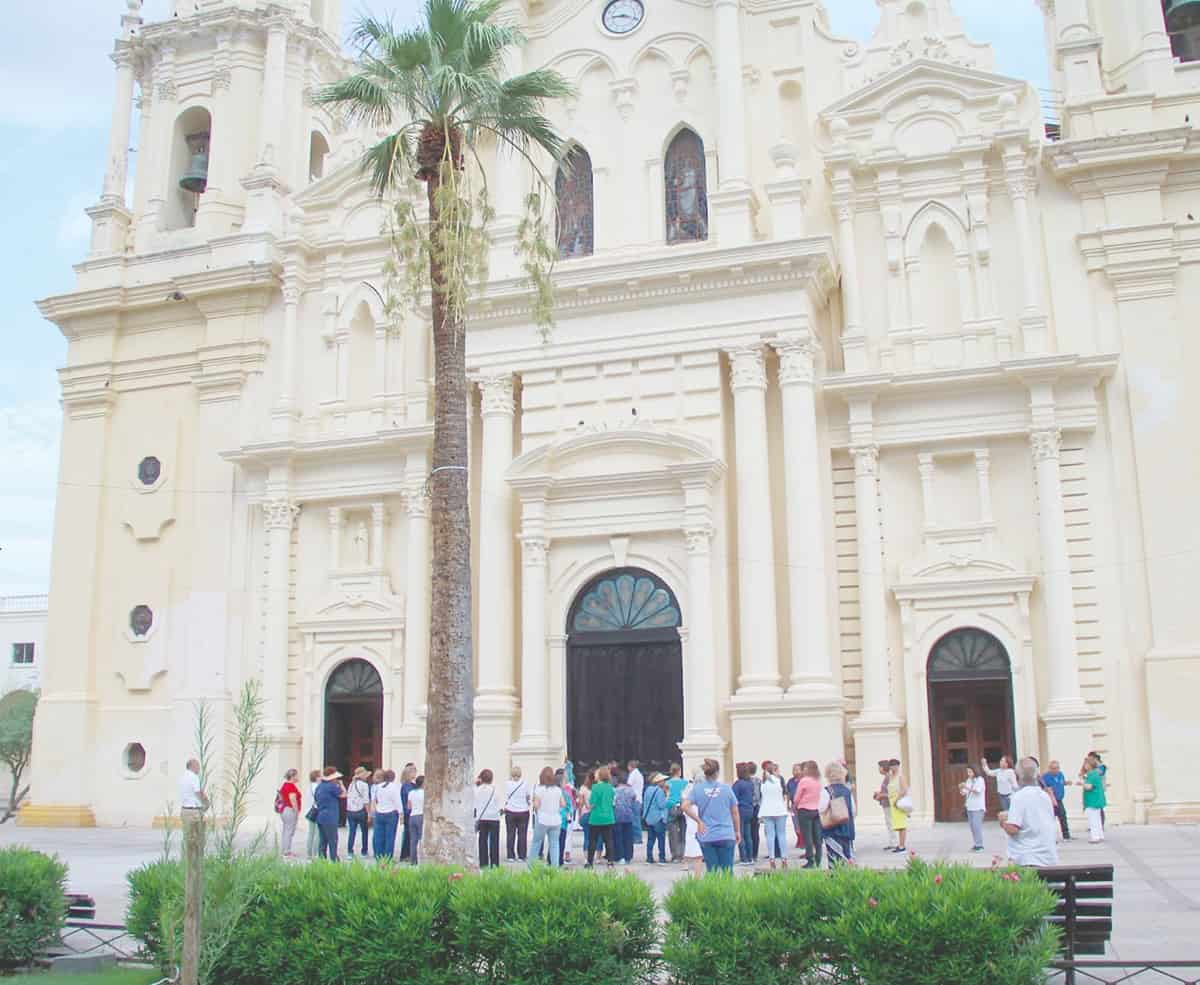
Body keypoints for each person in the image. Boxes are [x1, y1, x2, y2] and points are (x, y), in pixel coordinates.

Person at [682, 758, 741, 874]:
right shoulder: (726, 789)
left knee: (712, 870)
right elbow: (735, 812)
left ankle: (713, 891)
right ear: (717, 773)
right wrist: (737, 831)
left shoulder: (697, 789)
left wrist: (698, 821)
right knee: (727, 871)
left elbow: (684, 806)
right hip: (726, 833)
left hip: (707, 834)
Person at [1000, 757, 1059, 866]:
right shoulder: (1044, 796)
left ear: (1017, 777)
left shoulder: (1019, 797)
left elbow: (1013, 829)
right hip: (1048, 857)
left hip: (1028, 858)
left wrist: (1003, 822)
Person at [821, 761, 856, 867]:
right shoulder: (847, 791)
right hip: (847, 829)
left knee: (835, 861)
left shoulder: (827, 791)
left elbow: (821, 808)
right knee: (847, 858)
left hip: (832, 831)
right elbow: (853, 811)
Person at [530, 766, 565, 866]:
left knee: (536, 843)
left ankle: (531, 866)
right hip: (556, 820)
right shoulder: (557, 790)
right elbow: (563, 804)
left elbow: (536, 805)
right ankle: (555, 867)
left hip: (542, 819)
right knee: (554, 844)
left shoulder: (539, 789)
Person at [759, 761, 790, 869]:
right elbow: (783, 793)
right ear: (775, 771)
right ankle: (784, 858)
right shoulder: (779, 780)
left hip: (767, 810)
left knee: (770, 836)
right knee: (781, 835)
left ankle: (772, 858)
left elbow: (761, 796)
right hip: (780, 810)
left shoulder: (763, 783)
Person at [793, 760, 824, 867]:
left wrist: (795, 806)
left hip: (804, 810)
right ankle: (818, 858)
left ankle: (810, 860)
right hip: (815, 810)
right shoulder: (818, 781)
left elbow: (797, 797)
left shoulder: (804, 781)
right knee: (817, 837)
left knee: (807, 836)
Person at [586, 766, 616, 868]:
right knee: (608, 840)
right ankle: (610, 861)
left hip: (596, 817)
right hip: (608, 816)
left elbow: (592, 804)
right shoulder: (610, 788)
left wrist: (589, 806)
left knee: (593, 840)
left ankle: (590, 862)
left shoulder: (595, 787)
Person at [313, 766, 346, 862]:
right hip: (330, 817)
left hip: (320, 816)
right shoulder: (331, 787)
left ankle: (322, 860)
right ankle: (334, 859)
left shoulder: (319, 786)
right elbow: (343, 794)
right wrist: (341, 785)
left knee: (322, 841)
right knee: (333, 840)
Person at [503, 766, 531, 862]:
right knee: (522, 834)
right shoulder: (525, 783)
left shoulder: (507, 784)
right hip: (523, 811)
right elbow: (528, 796)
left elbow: (507, 795)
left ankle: (510, 855)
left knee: (510, 834)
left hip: (510, 811)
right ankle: (521, 855)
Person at [372, 769, 402, 860]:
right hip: (391, 813)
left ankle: (378, 856)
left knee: (379, 836)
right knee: (390, 837)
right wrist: (401, 813)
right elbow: (397, 801)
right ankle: (388, 858)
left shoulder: (378, 787)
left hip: (379, 812)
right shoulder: (394, 787)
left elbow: (375, 799)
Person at [475, 768, 502, 867]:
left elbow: (474, 803)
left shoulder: (477, 790)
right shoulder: (495, 789)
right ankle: (494, 864)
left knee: (482, 840)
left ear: (481, 778)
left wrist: (476, 783)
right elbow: (499, 805)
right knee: (494, 842)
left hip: (482, 818)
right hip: (494, 818)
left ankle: (483, 863)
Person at [732, 763, 756, 864]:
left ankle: (744, 858)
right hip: (750, 810)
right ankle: (750, 857)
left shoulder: (738, 784)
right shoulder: (750, 783)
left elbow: (733, 798)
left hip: (740, 810)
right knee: (748, 835)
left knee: (740, 834)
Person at [681, 769, 705, 877]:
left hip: (693, 819)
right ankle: (696, 873)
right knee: (695, 846)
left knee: (693, 844)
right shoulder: (693, 789)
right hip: (694, 818)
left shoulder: (689, 789)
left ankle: (687, 863)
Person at [642, 772, 669, 863]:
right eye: (663, 780)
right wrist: (667, 797)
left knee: (650, 839)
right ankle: (662, 858)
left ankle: (649, 858)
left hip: (649, 818)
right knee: (661, 839)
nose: (664, 782)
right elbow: (662, 805)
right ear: (658, 781)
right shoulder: (659, 791)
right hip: (658, 818)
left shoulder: (647, 790)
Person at [345, 767, 372, 859]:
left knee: (352, 832)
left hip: (350, 811)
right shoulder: (364, 785)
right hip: (361, 810)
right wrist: (369, 813)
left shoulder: (351, 784)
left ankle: (350, 851)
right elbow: (366, 800)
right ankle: (364, 851)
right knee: (364, 831)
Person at [1042, 760, 1071, 840]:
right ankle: (1051, 836)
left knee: (1063, 816)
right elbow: (1043, 788)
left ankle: (1066, 835)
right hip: (1050, 800)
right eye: (1053, 768)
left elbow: (1061, 782)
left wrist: (1066, 783)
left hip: (1059, 799)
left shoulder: (1060, 774)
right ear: (1050, 769)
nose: (1056, 770)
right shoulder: (1045, 777)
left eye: (1057, 768)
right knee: (1051, 818)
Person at [613, 770, 638, 864]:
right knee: (628, 836)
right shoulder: (630, 790)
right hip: (628, 815)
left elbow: (613, 803)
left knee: (618, 836)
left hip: (617, 815)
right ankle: (628, 855)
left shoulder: (615, 791)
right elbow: (634, 799)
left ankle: (620, 856)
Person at [959, 765, 986, 852]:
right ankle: (976, 843)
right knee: (972, 826)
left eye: (970, 771)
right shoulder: (968, 780)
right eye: (968, 772)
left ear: (975, 771)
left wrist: (966, 787)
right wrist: (961, 788)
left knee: (976, 826)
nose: (969, 774)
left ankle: (980, 845)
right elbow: (964, 793)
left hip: (978, 807)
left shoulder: (980, 780)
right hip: (969, 807)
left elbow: (977, 791)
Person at [1082, 753, 1107, 844]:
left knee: (1093, 819)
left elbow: (1089, 786)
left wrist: (1082, 784)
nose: (1084, 766)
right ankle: (1100, 835)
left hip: (1092, 800)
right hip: (1097, 799)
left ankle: (1095, 837)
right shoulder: (1096, 773)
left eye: (1085, 764)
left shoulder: (1091, 774)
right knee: (1097, 819)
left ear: (1089, 765)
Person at [872, 760, 897, 851]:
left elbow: (892, 793)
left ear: (883, 768)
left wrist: (881, 795)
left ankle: (894, 842)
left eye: (879, 767)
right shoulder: (886, 777)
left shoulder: (889, 777)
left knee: (891, 822)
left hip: (889, 804)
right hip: (886, 803)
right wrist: (879, 793)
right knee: (889, 822)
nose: (878, 769)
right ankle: (892, 842)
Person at [277, 768, 302, 858]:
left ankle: (285, 849)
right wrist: (296, 811)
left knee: (286, 830)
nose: (298, 777)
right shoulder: (291, 786)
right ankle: (287, 851)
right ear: (292, 776)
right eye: (297, 775)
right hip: (290, 810)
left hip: (284, 810)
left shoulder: (285, 785)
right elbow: (292, 799)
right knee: (289, 831)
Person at [666, 764, 688, 861]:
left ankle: (675, 854)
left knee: (673, 832)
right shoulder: (685, 783)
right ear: (679, 771)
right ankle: (682, 853)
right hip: (682, 807)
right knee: (683, 831)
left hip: (671, 807)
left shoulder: (667, 783)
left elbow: (666, 796)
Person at [887, 760, 910, 853]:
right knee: (898, 825)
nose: (893, 768)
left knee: (902, 824)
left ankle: (902, 846)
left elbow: (904, 790)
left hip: (899, 802)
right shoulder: (891, 777)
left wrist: (896, 800)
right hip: (893, 802)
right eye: (891, 766)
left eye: (895, 766)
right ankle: (900, 844)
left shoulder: (901, 777)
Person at [398, 763, 418, 861]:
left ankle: (407, 854)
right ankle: (406, 855)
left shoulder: (411, 785)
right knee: (408, 835)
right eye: (414, 771)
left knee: (409, 834)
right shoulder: (407, 786)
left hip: (409, 812)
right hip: (409, 813)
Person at [787, 763, 806, 851]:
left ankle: (803, 841)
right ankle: (799, 839)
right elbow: (788, 793)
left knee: (802, 824)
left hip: (802, 805)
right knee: (796, 824)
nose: (795, 771)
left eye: (797, 769)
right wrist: (787, 804)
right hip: (793, 806)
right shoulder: (790, 781)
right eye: (793, 769)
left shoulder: (803, 781)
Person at [406, 775, 425, 864]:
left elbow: (409, 806)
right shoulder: (425, 793)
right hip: (421, 815)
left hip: (412, 816)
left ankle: (413, 860)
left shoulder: (411, 792)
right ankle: (422, 858)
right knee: (421, 838)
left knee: (413, 840)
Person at [627, 760, 645, 846]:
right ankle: (637, 837)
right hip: (639, 799)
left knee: (635, 819)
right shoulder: (639, 774)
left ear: (630, 766)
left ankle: (637, 838)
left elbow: (629, 785)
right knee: (636, 818)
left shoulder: (633, 774)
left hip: (634, 799)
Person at [577, 771, 594, 860]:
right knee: (596, 837)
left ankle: (586, 857)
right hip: (595, 814)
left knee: (586, 836)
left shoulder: (583, 788)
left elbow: (580, 803)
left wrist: (579, 815)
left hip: (585, 813)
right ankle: (597, 856)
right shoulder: (596, 788)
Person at [305, 768, 322, 857]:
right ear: (316, 777)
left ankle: (309, 853)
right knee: (317, 834)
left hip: (310, 811)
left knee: (310, 833)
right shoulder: (317, 787)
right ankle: (315, 853)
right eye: (320, 776)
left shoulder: (309, 786)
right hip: (317, 811)